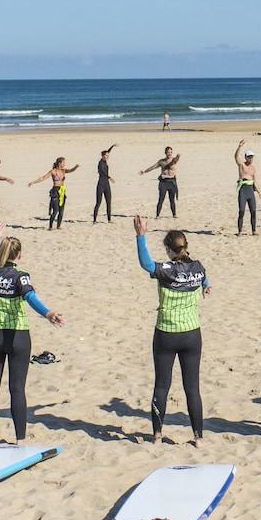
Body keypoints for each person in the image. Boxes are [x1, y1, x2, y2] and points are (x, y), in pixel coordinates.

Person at [0, 235, 65, 444]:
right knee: (17, 388)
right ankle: (21, 439)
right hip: (18, 335)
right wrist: (47, 313)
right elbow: (30, 297)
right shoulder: (21, 276)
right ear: (19, 255)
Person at [134, 215, 209, 444]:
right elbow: (204, 279)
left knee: (162, 385)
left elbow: (146, 264)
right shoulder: (198, 267)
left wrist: (140, 236)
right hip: (191, 334)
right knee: (192, 389)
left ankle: (157, 435)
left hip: (166, 333)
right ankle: (198, 437)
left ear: (168, 249)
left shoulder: (166, 270)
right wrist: (206, 286)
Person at [28, 158, 78, 231]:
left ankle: (58, 226)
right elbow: (43, 178)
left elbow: (71, 170)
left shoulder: (63, 171)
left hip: (62, 191)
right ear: (59, 163)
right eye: (63, 162)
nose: (65, 164)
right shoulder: (53, 171)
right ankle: (50, 227)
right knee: (55, 211)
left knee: (61, 211)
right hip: (55, 191)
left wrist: (76, 167)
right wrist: (33, 182)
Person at [233, 141, 261, 235]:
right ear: (245, 157)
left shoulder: (253, 168)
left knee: (253, 211)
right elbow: (236, 157)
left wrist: (260, 192)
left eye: (252, 157)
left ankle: (254, 231)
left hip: (250, 190)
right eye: (249, 156)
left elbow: (255, 182)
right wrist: (239, 147)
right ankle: (240, 231)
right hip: (243, 190)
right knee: (241, 211)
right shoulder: (242, 165)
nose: (250, 158)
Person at [143, 147, 182, 219]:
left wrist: (178, 156)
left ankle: (174, 215)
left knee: (172, 200)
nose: (169, 154)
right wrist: (144, 171)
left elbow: (176, 159)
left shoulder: (173, 160)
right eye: (168, 152)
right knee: (161, 199)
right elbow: (153, 167)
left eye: (170, 152)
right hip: (163, 182)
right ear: (165, 153)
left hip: (172, 182)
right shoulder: (161, 161)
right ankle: (157, 215)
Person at [92, 145, 117, 223]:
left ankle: (109, 220)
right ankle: (94, 220)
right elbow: (102, 172)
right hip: (101, 185)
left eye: (108, 156)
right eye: (106, 156)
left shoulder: (105, 161)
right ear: (102, 156)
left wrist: (112, 146)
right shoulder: (100, 163)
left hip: (107, 185)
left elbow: (108, 151)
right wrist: (110, 178)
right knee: (98, 202)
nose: (107, 157)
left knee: (108, 202)